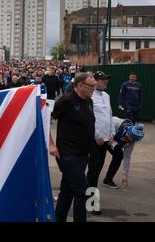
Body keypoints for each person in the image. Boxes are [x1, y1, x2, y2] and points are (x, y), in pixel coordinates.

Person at [50, 73, 96, 222]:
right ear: (80, 86)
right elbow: (43, 119)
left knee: (67, 192)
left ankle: (58, 219)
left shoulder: (89, 102)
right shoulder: (66, 101)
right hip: (68, 155)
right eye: (91, 86)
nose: (94, 89)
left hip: (83, 155)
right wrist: (51, 144)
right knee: (83, 192)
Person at [86, 71, 115, 215]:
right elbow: (90, 119)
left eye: (106, 80)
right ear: (95, 81)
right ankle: (91, 203)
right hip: (94, 140)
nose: (106, 82)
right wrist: (96, 135)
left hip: (105, 139)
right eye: (103, 80)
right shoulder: (90, 96)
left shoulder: (106, 96)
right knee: (93, 170)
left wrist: (112, 132)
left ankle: (88, 195)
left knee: (97, 170)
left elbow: (109, 115)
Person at [102, 117, 144, 189]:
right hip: (103, 136)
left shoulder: (132, 141)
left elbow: (127, 157)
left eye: (132, 140)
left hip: (114, 142)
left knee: (119, 156)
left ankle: (108, 180)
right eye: (128, 138)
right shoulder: (115, 122)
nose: (129, 140)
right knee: (99, 158)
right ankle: (91, 179)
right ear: (128, 132)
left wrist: (125, 175)